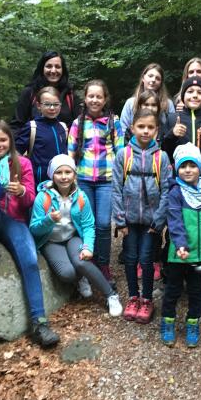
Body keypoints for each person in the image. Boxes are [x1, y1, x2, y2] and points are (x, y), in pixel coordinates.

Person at [0, 119, 60, 349]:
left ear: (10, 141)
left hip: (13, 219)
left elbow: (29, 202)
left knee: (29, 259)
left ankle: (39, 322)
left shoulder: (22, 163)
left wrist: (22, 191)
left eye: (3, 139)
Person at [29, 155, 123, 317]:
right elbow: (34, 229)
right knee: (67, 273)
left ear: (74, 174)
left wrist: (88, 247)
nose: (64, 177)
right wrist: (49, 220)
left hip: (72, 237)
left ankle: (111, 295)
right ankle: (81, 279)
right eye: (59, 172)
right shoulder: (42, 198)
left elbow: (88, 225)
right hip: (51, 241)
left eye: (68, 172)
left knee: (82, 262)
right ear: (52, 175)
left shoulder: (80, 197)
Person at [160, 143, 201, 348]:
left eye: (192, 165)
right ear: (176, 169)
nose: (188, 170)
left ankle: (192, 324)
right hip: (178, 255)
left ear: (200, 167)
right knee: (172, 290)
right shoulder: (176, 193)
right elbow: (175, 221)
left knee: (197, 292)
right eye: (183, 166)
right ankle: (168, 323)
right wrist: (180, 244)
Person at [112, 109, 172, 324]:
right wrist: (120, 220)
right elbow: (116, 188)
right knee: (130, 259)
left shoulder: (161, 157)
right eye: (141, 127)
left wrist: (159, 221)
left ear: (157, 130)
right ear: (132, 128)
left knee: (147, 259)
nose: (145, 131)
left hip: (151, 223)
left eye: (150, 127)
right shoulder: (123, 155)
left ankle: (147, 299)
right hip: (129, 220)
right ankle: (132, 297)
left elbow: (167, 190)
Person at [68, 79, 126, 283]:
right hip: (83, 180)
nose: (94, 100)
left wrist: (122, 179)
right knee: (86, 223)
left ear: (105, 99)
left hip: (106, 180)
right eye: (91, 96)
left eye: (98, 96)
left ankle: (103, 264)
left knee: (102, 224)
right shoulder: (78, 123)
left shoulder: (113, 121)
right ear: (85, 98)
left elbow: (121, 152)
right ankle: (87, 263)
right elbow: (71, 151)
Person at [162, 76, 201, 180]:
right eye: (190, 91)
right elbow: (164, 152)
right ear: (182, 96)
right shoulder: (172, 119)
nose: (195, 95)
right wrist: (172, 134)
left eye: (199, 92)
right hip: (178, 180)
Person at [13, 86, 69, 188]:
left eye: (56, 104)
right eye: (47, 104)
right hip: (38, 185)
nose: (52, 108)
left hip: (62, 184)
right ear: (38, 105)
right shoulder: (32, 126)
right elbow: (17, 153)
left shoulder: (63, 128)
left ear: (60, 106)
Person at [10, 51, 77, 133]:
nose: (53, 70)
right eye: (49, 66)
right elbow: (16, 126)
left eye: (57, 67)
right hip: (34, 144)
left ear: (63, 70)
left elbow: (79, 125)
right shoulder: (30, 93)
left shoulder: (70, 95)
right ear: (42, 68)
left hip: (64, 144)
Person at [119, 63, 176, 133]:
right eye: (150, 76)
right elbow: (123, 129)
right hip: (133, 143)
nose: (153, 80)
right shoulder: (130, 103)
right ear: (143, 78)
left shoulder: (168, 103)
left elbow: (172, 130)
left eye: (157, 78)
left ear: (161, 83)